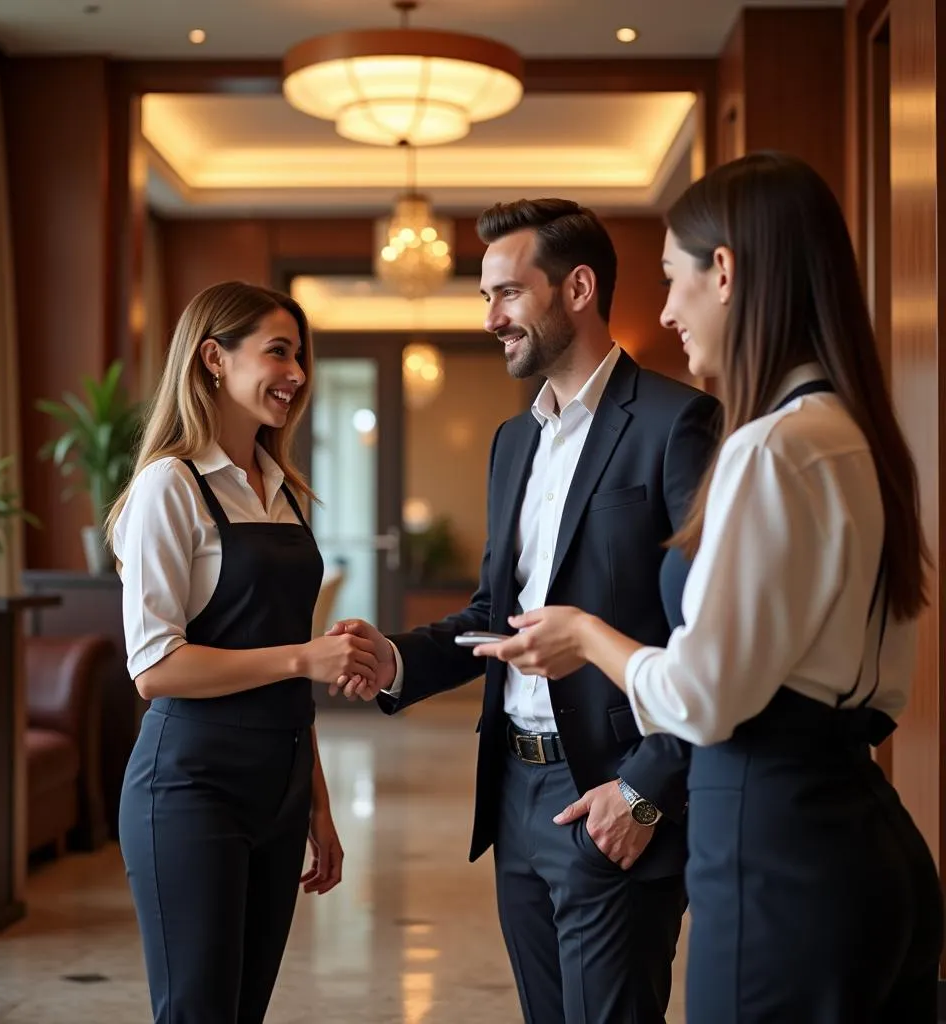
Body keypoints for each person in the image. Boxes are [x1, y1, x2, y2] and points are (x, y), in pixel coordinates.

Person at [474, 153, 944, 1023]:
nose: (663, 309)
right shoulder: (858, 437)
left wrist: (586, 636)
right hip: (866, 828)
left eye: (671, 278)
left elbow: (701, 696)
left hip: (772, 842)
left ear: (722, 271)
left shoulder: (767, 447)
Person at [331, 199, 720, 1023]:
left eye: (507, 293)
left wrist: (645, 793)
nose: (490, 318)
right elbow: (493, 613)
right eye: (485, 297)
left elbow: (709, 634)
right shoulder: (516, 443)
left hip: (610, 792)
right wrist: (394, 658)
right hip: (512, 788)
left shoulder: (675, 422)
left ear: (577, 288)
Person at [107, 281, 380, 1024]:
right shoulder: (171, 487)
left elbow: (290, 661)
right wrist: (302, 660)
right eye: (278, 351)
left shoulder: (283, 488)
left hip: (281, 786)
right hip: (190, 787)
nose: (297, 372)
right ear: (213, 360)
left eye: (302, 355)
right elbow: (155, 670)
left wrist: (318, 806)